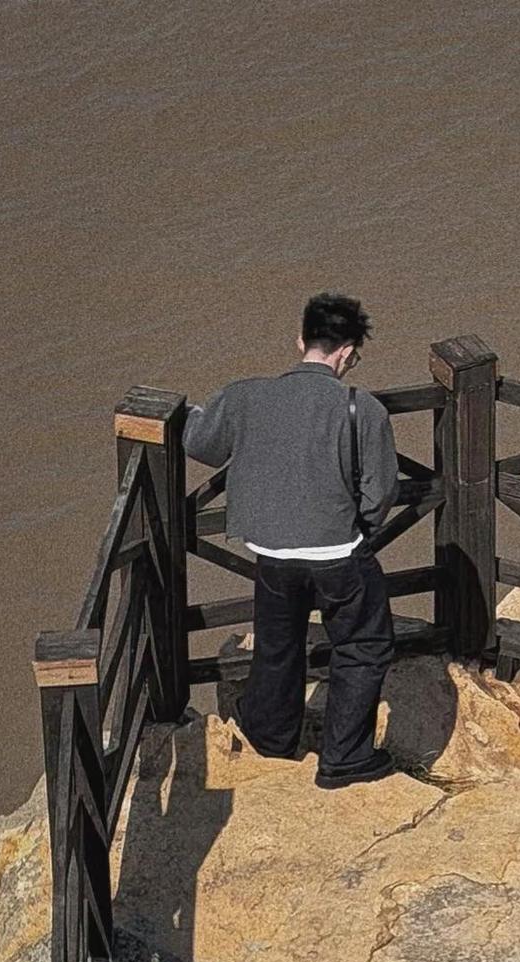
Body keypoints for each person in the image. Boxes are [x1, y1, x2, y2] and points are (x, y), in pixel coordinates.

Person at [183, 292, 400, 788]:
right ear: (348, 352)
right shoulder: (362, 408)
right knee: (364, 645)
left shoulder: (245, 397)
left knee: (278, 646)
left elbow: (200, 442)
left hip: (271, 553)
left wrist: (186, 412)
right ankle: (345, 759)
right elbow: (381, 490)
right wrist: (359, 529)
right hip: (337, 554)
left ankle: (271, 740)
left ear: (301, 340)